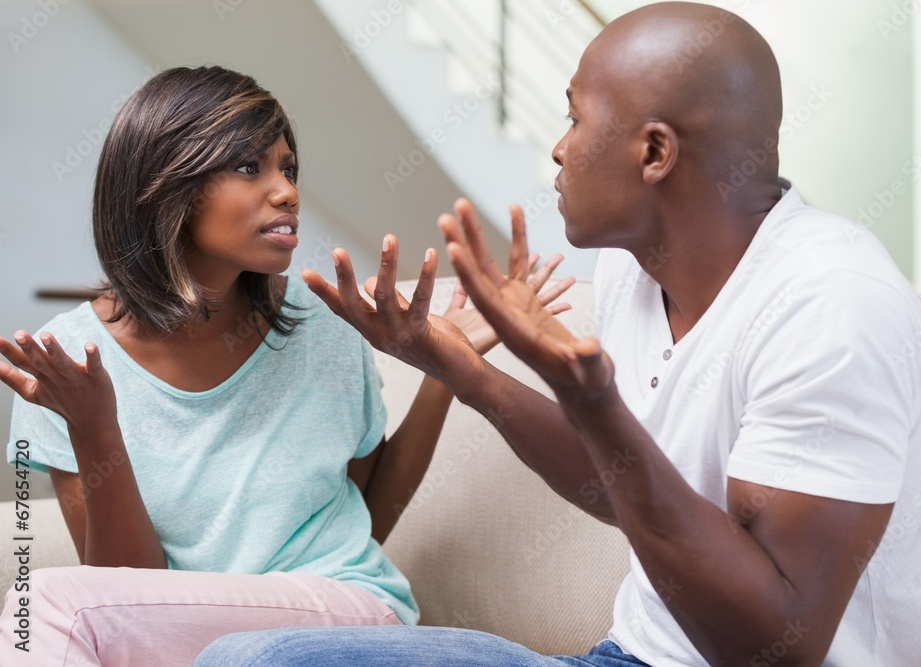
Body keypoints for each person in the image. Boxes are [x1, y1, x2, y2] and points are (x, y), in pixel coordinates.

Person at [194, 2, 921, 666]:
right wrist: (461, 370)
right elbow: (622, 490)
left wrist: (596, 407)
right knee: (248, 658)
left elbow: (774, 649)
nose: (559, 147)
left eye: (575, 117)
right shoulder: (637, 272)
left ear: (654, 152)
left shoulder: (832, 305)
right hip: (626, 656)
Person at [0, 65, 573, 666]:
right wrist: (95, 427)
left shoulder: (323, 323)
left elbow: (368, 515)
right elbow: (127, 605)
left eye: (288, 168)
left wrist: (443, 370)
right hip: (193, 643)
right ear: (166, 186)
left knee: (47, 603)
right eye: (250, 167)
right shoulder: (65, 362)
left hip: (342, 614)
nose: (287, 193)